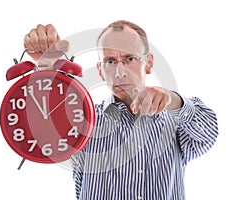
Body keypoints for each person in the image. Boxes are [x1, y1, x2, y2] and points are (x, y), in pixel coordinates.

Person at [24, 20, 218, 200]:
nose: (119, 72)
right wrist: (44, 68)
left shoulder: (175, 121)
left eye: (130, 58)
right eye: (110, 61)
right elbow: (40, 129)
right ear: (100, 70)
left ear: (148, 63)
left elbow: (209, 132)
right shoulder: (83, 120)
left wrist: (172, 99)